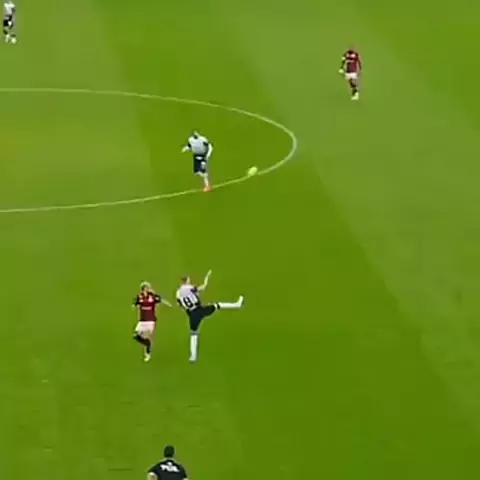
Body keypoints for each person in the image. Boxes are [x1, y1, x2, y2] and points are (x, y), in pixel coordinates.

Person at [176, 270, 243, 362]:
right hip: (199, 310)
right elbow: (202, 288)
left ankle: (193, 356)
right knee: (217, 305)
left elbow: (181, 305)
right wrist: (206, 278)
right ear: (187, 280)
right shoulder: (189, 287)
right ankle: (236, 305)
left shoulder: (178, 293)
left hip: (191, 314)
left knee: (194, 334)